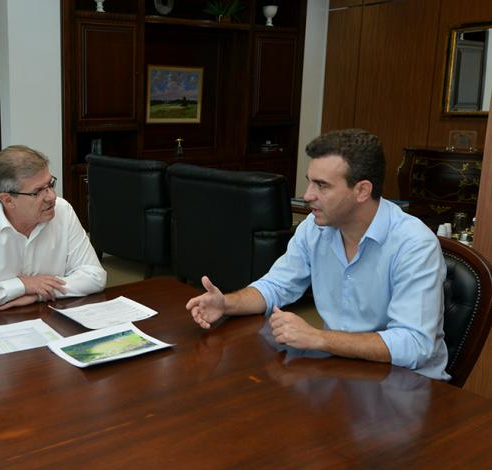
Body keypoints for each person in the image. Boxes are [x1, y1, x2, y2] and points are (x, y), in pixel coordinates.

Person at [186, 129, 448, 380]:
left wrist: (318, 338)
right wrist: (227, 304)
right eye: (309, 181)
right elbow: (276, 285)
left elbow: (414, 345)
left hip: (406, 386)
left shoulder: (414, 244)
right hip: (338, 370)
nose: (307, 195)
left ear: (362, 191)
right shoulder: (315, 227)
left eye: (322, 186)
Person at [0, 145, 106, 318]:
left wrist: (39, 293)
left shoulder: (63, 211)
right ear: (8, 200)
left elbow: (95, 276)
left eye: (50, 185)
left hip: (48, 321)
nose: (51, 196)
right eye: (38, 192)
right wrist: (22, 285)